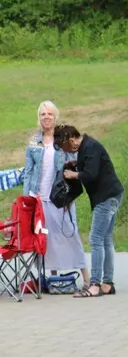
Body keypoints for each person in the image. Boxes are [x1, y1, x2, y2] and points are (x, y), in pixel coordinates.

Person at [24, 102, 89, 288]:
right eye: (43, 114)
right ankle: (52, 279)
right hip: (39, 197)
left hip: (59, 197)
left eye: (50, 114)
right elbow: (29, 172)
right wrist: (27, 198)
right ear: (39, 117)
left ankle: (85, 276)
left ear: (55, 117)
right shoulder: (33, 141)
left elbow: (73, 166)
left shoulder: (63, 139)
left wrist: (70, 196)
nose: (46, 117)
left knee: (70, 234)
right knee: (46, 239)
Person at [54, 124, 124, 298]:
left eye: (65, 147)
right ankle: (107, 283)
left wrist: (73, 174)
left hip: (106, 197)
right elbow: (91, 164)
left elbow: (91, 174)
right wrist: (77, 163)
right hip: (112, 194)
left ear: (71, 139)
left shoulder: (90, 146)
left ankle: (95, 284)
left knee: (96, 239)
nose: (66, 150)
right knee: (106, 239)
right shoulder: (87, 147)